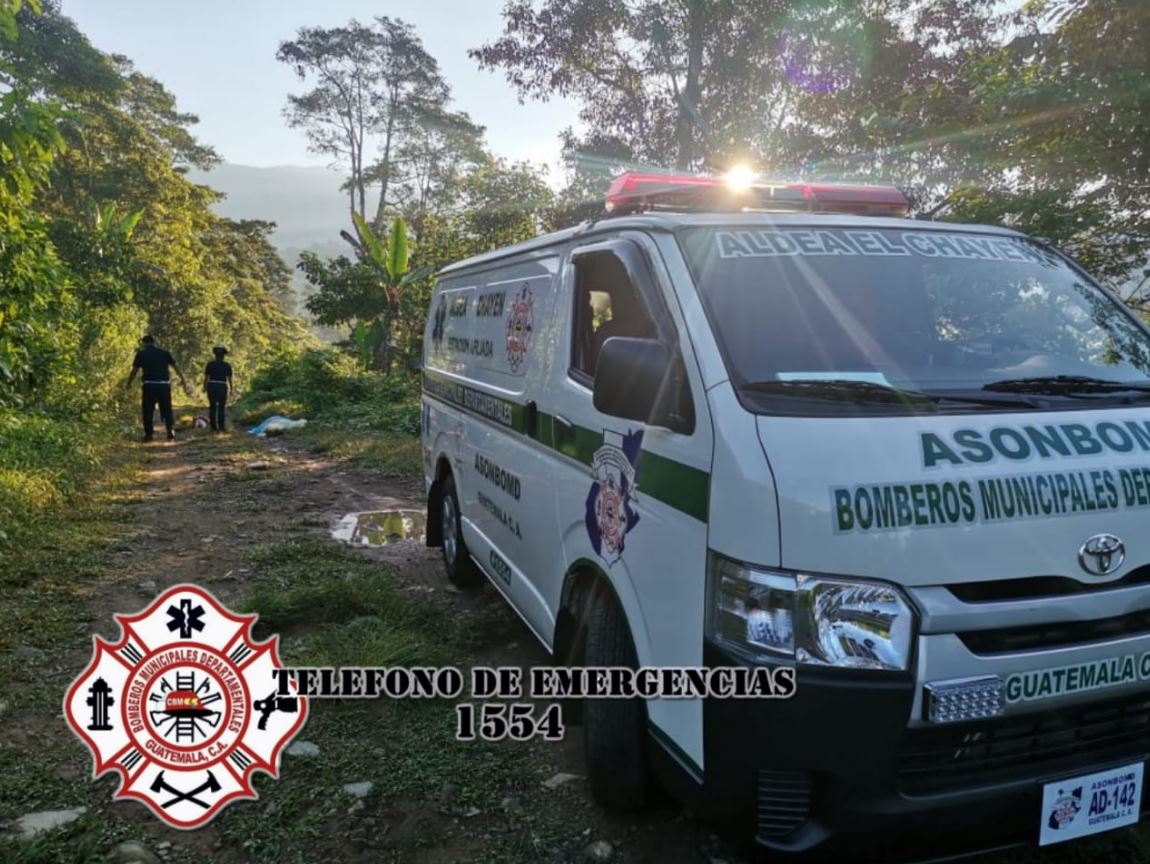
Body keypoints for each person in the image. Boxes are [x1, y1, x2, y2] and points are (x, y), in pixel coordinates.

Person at [126, 335, 186, 442]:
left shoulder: (141, 354)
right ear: (154, 342)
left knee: (148, 410)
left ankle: (149, 434)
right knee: (167, 408)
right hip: (163, 384)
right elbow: (175, 366)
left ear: (144, 343)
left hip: (149, 385)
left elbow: (134, 370)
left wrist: (129, 383)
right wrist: (182, 378)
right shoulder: (164, 353)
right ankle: (170, 430)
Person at [203, 345, 234, 432]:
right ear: (224, 356)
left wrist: (204, 387)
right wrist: (232, 389)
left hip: (212, 385)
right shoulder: (227, 366)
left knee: (212, 406)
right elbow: (230, 379)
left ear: (215, 355)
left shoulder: (210, 365)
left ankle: (213, 427)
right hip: (222, 386)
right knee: (221, 407)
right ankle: (221, 427)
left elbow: (206, 377)